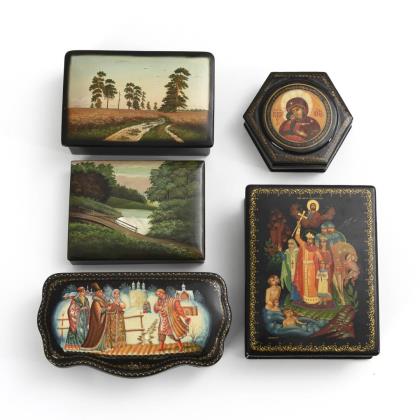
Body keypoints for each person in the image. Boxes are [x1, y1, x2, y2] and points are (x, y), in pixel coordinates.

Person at [294, 223, 321, 305]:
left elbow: (320, 258)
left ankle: (314, 298)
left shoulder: (316, 248)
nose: (309, 240)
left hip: (312, 268)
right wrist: (298, 227)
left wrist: (322, 263)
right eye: (308, 239)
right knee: (304, 282)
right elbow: (297, 237)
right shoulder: (303, 245)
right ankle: (305, 298)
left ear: (313, 240)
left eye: (311, 239)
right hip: (303, 267)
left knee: (311, 283)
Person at [81, 283, 109, 352]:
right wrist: (107, 308)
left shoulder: (101, 300)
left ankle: (103, 347)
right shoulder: (96, 302)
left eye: (102, 292)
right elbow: (99, 312)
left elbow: (104, 307)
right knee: (98, 334)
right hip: (97, 323)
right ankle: (99, 347)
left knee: (103, 334)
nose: (102, 293)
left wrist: (107, 306)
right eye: (100, 292)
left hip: (102, 321)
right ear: (96, 293)